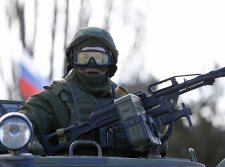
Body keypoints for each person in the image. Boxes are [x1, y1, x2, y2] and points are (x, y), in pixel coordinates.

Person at [19, 27, 167, 157]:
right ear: (73, 59)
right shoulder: (53, 99)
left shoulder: (125, 100)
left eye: (99, 58)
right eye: (85, 57)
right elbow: (18, 126)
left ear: (110, 61)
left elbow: (143, 148)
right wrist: (28, 140)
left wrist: (152, 141)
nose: (92, 63)